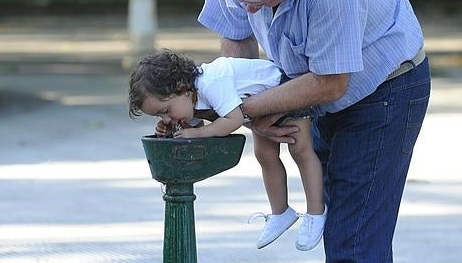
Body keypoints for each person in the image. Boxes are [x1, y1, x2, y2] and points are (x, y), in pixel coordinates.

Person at [198, 0, 431, 262]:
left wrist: (245, 111)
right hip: (307, 84)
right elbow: (236, 43)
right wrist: (252, 106)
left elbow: (331, 82)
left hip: (385, 88)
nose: (248, 8)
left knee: (353, 241)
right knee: (338, 225)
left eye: (261, 3)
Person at [128, 49, 326, 251]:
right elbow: (196, 129)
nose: (166, 119)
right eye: (160, 117)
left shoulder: (211, 83)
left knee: (300, 151)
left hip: (282, 90)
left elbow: (233, 119)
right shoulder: (188, 100)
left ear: (182, 88)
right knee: (264, 155)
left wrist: (198, 133)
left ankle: (316, 212)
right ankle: (281, 212)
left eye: (165, 112)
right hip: (258, 107)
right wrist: (172, 129)